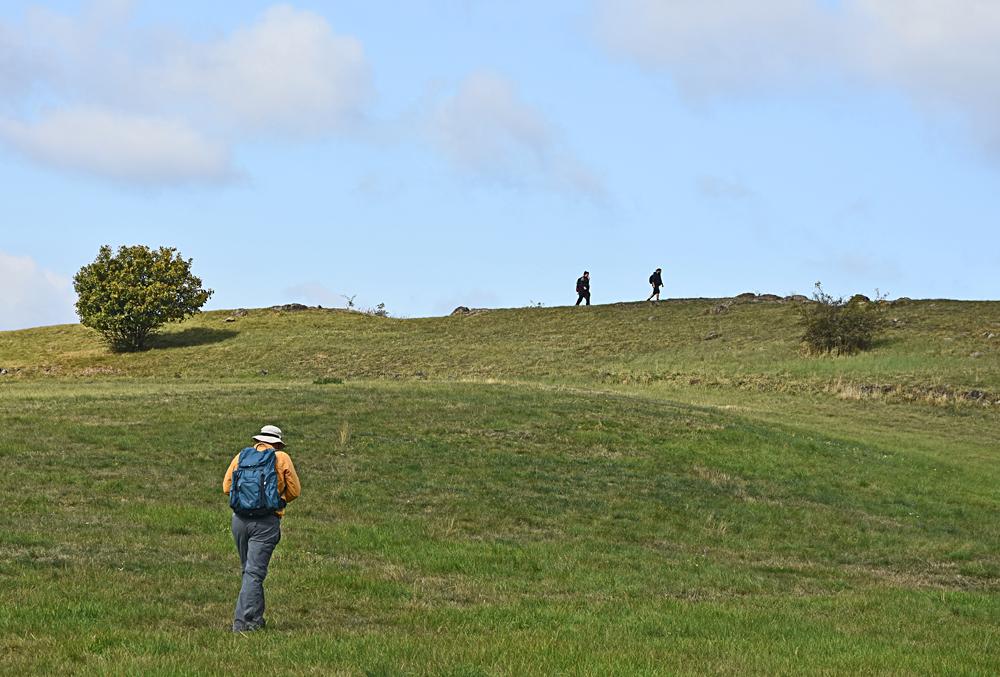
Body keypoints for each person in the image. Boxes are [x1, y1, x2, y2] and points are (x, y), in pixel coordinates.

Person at [223, 424, 301, 632]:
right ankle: (243, 624)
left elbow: (226, 487)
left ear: (259, 440)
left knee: (248, 571)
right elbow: (295, 490)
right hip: (266, 522)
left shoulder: (241, 456)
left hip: (239, 520)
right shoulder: (281, 457)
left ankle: (255, 619)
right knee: (254, 574)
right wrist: (278, 499)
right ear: (277, 443)